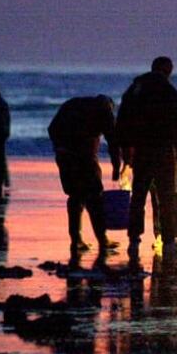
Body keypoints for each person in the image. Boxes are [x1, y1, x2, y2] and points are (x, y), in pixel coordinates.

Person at [117, 56, 177, 257]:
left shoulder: (135, 89)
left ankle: (134, 240)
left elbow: (123, 120)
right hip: (162, 151)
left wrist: (125, 153)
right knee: (166, 197)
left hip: (141, 151)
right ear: (168, 71)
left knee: (138, 196)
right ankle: (169, 241)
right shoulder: (169, 91)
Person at [48, 95, 121, 254]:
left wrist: (60, 147)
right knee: (94, 197)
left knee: (75, 197)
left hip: (64, 156)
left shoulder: (72, 103)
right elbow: (113, 140)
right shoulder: (104, 110)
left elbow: (52, 128)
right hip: (84, 158)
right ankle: (102, 240)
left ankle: (76, 240)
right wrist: (116, 166)